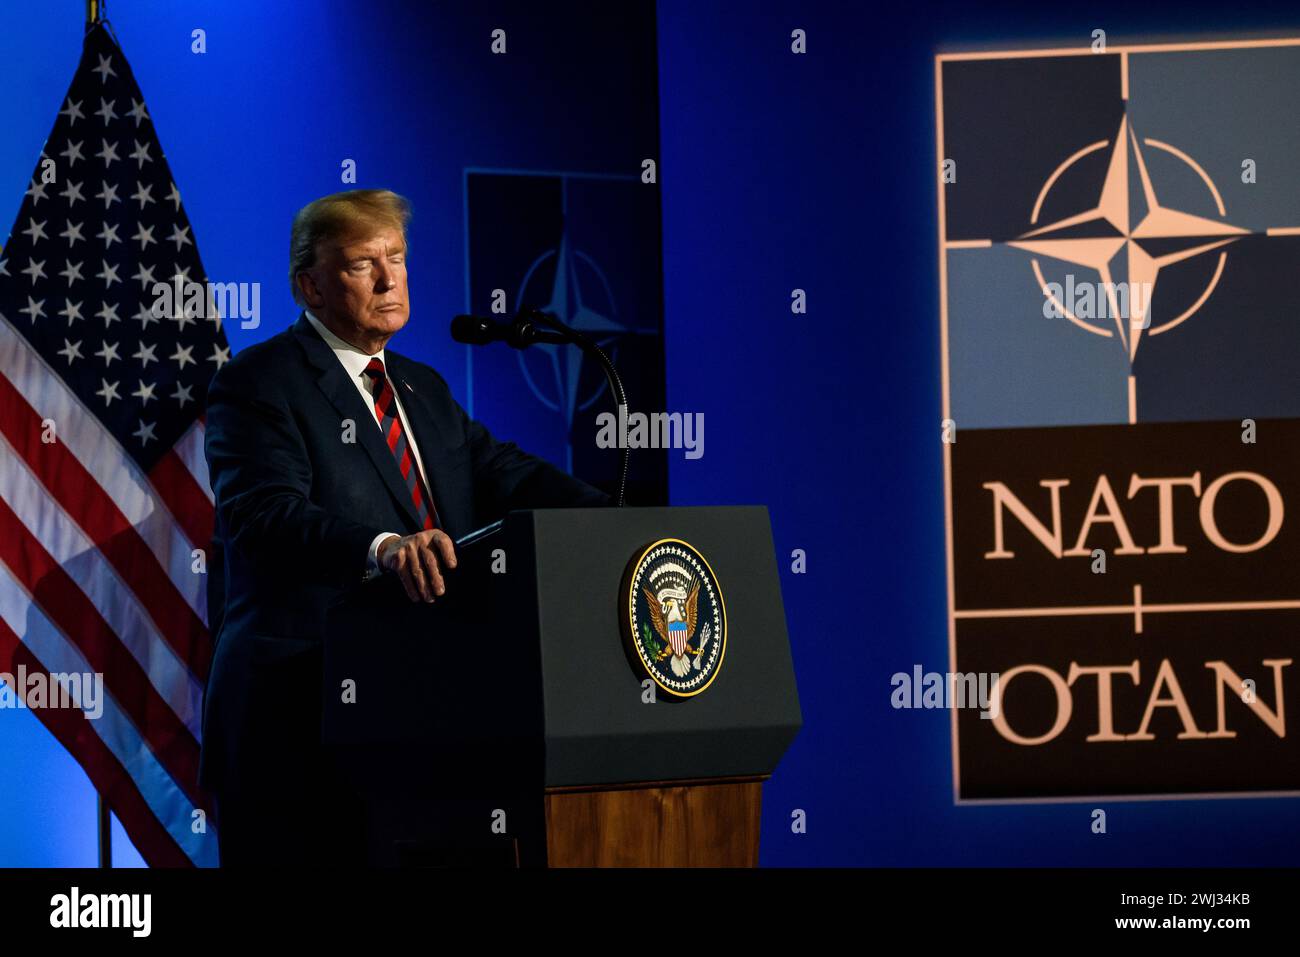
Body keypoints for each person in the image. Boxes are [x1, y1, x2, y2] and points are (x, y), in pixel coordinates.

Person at [200, 188, 608, 865]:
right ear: (311, 285)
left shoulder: (422, 387)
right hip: (300, 724)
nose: (390, 279)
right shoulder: (260, 382)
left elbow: (501, 471)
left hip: (420, 728)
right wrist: (384, 549)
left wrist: (615, 523)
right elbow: (263, 515)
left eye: (397, 257)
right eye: (364, 263)